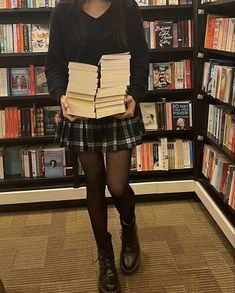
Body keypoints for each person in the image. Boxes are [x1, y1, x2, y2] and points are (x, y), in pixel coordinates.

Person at [45, 0, 149, 292]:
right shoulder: (63, 11)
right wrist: (60, 96)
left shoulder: (127, 8)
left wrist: (136, 96)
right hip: (80, 110)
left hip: (118, 107)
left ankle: (129, 229)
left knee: (117, 185)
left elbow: (141, 58)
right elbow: (53, 63)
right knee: (94, 181)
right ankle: (105, 255)